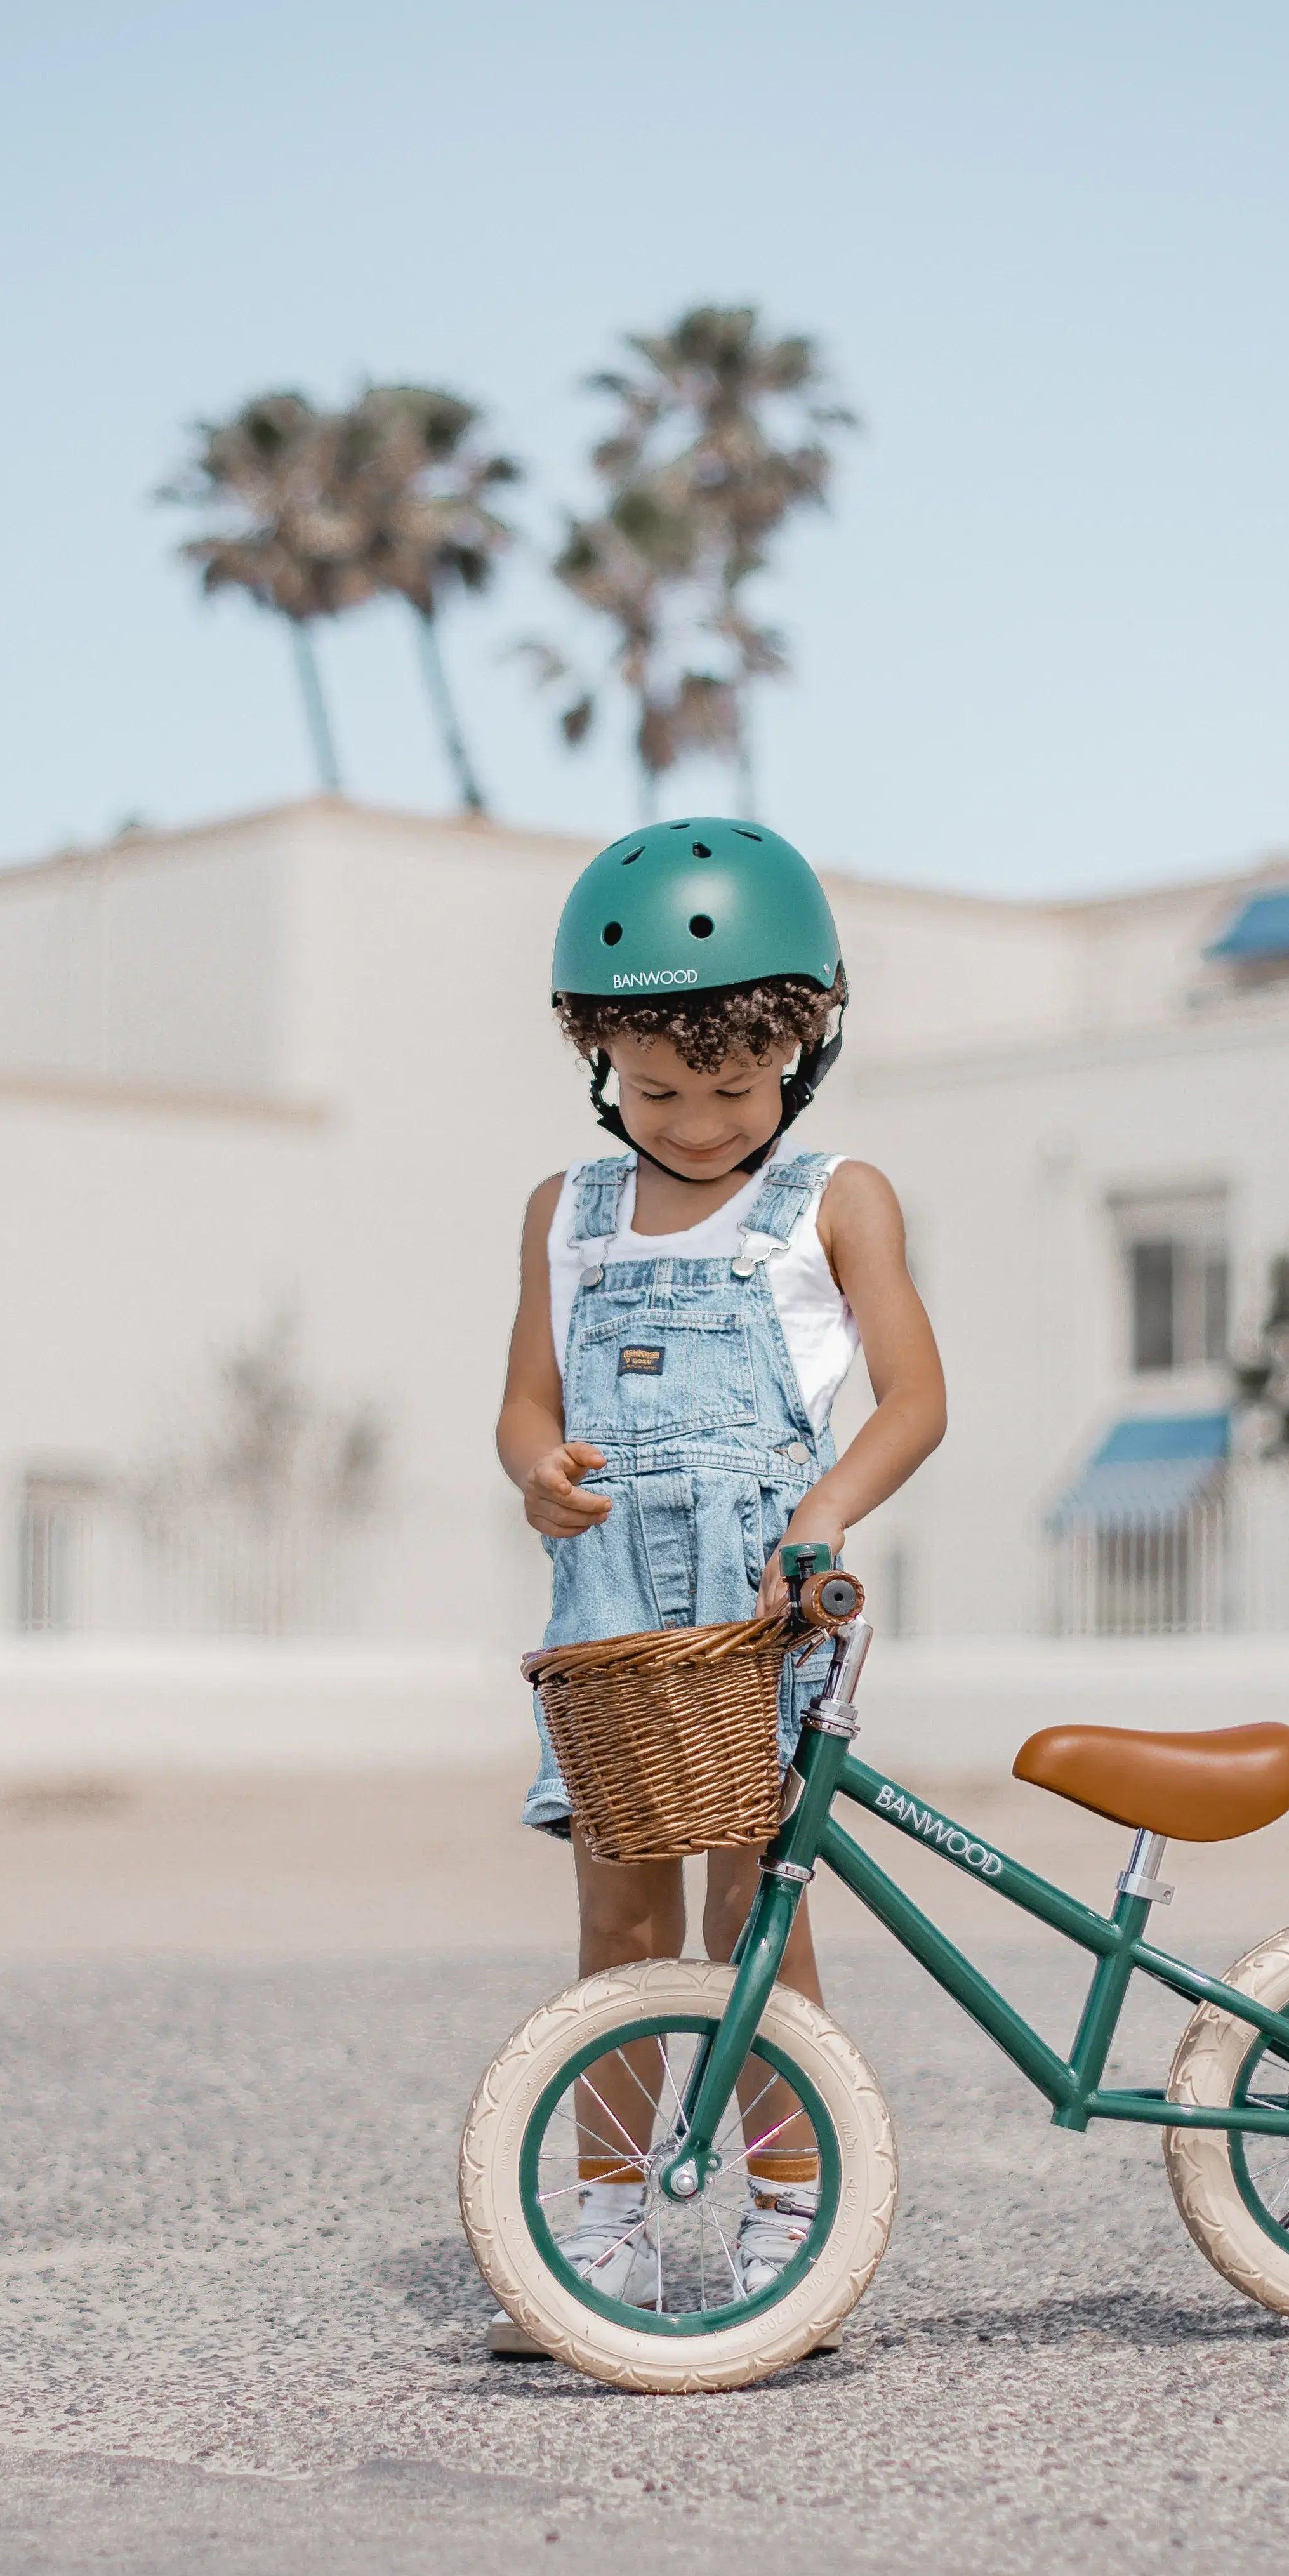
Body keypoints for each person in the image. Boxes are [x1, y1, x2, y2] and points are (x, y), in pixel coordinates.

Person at [491, 818, 946, 2347]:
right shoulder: (567, 1215)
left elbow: (911, 1400)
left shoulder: (836, 1202)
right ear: (600, 1057)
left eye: (729, 1089)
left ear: (803, 1045)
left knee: (764, 1925)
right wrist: (538, 1470)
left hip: (757, 1609)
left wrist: (821, 1513)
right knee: (620, 1933)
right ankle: (608, 2235)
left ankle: (789, 2235)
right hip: (615, 1615)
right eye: (656, 1088)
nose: (689, 1122)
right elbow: (525, 1408)